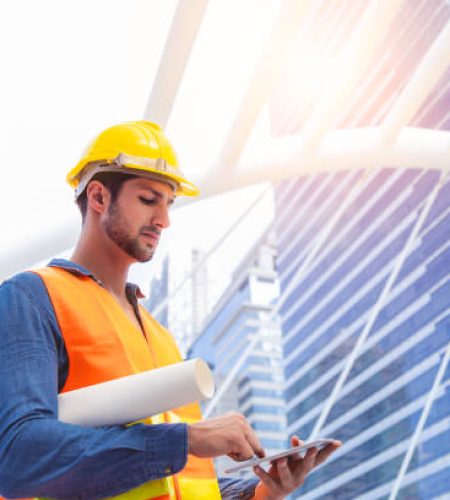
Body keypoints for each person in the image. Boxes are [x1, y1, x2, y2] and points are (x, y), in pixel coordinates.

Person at [0, 121, 340, 499]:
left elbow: (182, 483)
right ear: (98, 197)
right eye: (149, 199)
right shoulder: (33, 297)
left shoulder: (160, 337)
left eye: (169, 203)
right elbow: (16, 455)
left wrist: (261, 492)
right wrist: (184, 439)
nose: (164, 219)